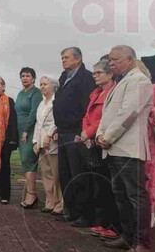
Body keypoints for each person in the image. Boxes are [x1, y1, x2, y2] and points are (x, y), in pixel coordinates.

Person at [96, 45, 153, 252]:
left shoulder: (139, 80)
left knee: (135, 196)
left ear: (129, 59)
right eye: (109, 59)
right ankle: (128, 236)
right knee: (121, 196)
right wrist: (101, 134)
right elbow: (108, 113)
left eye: (115, 59)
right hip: (114, 148)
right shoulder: (122, 81)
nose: (111, 63)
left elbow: (127, 114)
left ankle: (143, 243)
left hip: (128, 148)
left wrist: (107, 136)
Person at [53, 47, 96, 226]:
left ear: (78, 59)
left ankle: (84, 214)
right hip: (62, 131)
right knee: (65, 173)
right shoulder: (63, 77)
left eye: (67, 57)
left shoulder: (86, 77)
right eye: (62, 58)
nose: (63, 60)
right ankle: (69, 210)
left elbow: (86, 106)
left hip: (76, 132)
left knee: (78, 173)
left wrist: (81, 130)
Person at [82, 60, 120, 240]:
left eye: (98, 73)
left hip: (104, 140)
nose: (94, 76)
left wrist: (89, 132)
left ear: (110, 74)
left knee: (108, 185)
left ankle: (112, 224)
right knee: (99, 184)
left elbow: (106, 118)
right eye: (94, 73)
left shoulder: (113, 92)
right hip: (92, 141)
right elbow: (87, 115)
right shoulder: (95, 93)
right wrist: (85, 132)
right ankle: (102, 221)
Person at [136, 61, 155, 230]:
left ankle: (150, 213)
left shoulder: (154, 88)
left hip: (150, 136)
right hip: (134, 136)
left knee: (150, 175)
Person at [32, 75, 63, 214]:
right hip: (41, 143)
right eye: (41, 84)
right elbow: (38, 124)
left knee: (56, 174)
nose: (42, 87)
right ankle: (50, 201)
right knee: (46, 174)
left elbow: (57, 121)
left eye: (45, 84)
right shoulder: (42, 103)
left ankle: (59, 202)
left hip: (52, 142)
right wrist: (35, 141)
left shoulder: (57, 101)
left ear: (53, 86)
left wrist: (49, 134)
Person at [15, 67, 43, 208]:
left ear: (33, 78)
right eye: (22, 76)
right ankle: (30, 192)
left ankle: (32, 194)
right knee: (24, 162)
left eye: (27, 76)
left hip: (30, 132)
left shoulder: (36, 93)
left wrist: (26, 130)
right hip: (20, 133)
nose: (25, 78)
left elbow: (34, 113)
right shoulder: (20, 93)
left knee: (29, 160)